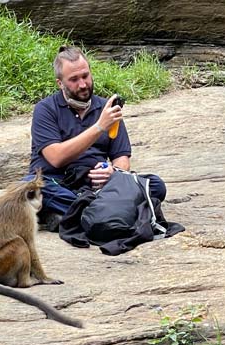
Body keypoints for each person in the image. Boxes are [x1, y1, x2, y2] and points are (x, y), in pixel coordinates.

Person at [27, 46, 167, 230]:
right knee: (30, 188)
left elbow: (122, 157)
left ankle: (74, 213)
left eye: (85, 76)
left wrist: (113, 172)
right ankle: (102, 209)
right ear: (60, 83)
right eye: (74, 80)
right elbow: (56, 157)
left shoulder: (106, 107)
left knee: (156, 185)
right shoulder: (45, 109)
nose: (83, 84)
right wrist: (100, 126)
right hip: (58, 182)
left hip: (95, 185)